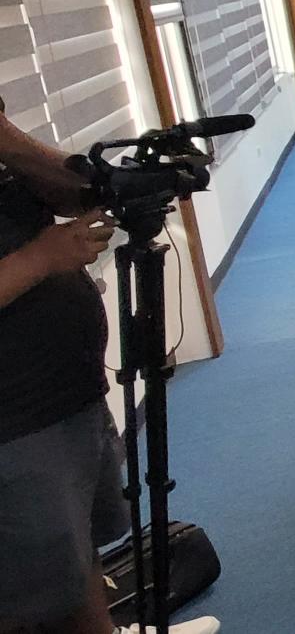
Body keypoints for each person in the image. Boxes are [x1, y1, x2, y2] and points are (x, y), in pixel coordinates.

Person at [0, 107, 219, 634]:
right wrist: (41, 260)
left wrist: (7, 138)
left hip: (67, 388)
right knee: (33, 597)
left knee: (78, 559)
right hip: (13, 421)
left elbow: (72, 191)